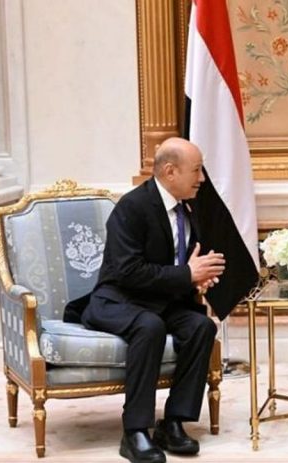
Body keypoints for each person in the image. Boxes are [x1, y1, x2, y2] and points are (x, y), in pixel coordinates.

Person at [81, 137, 225, 463]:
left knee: (201, 326)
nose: (202, 178)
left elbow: (182, 261)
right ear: (170, 171)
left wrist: (197, 278)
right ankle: (134, 432)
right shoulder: (132, 207)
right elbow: (128, 271)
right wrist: (186, 274)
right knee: (150, 326)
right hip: (118, 300)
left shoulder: (188, 205)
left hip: (162, 300)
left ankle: (173, 422)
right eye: (196, 170)